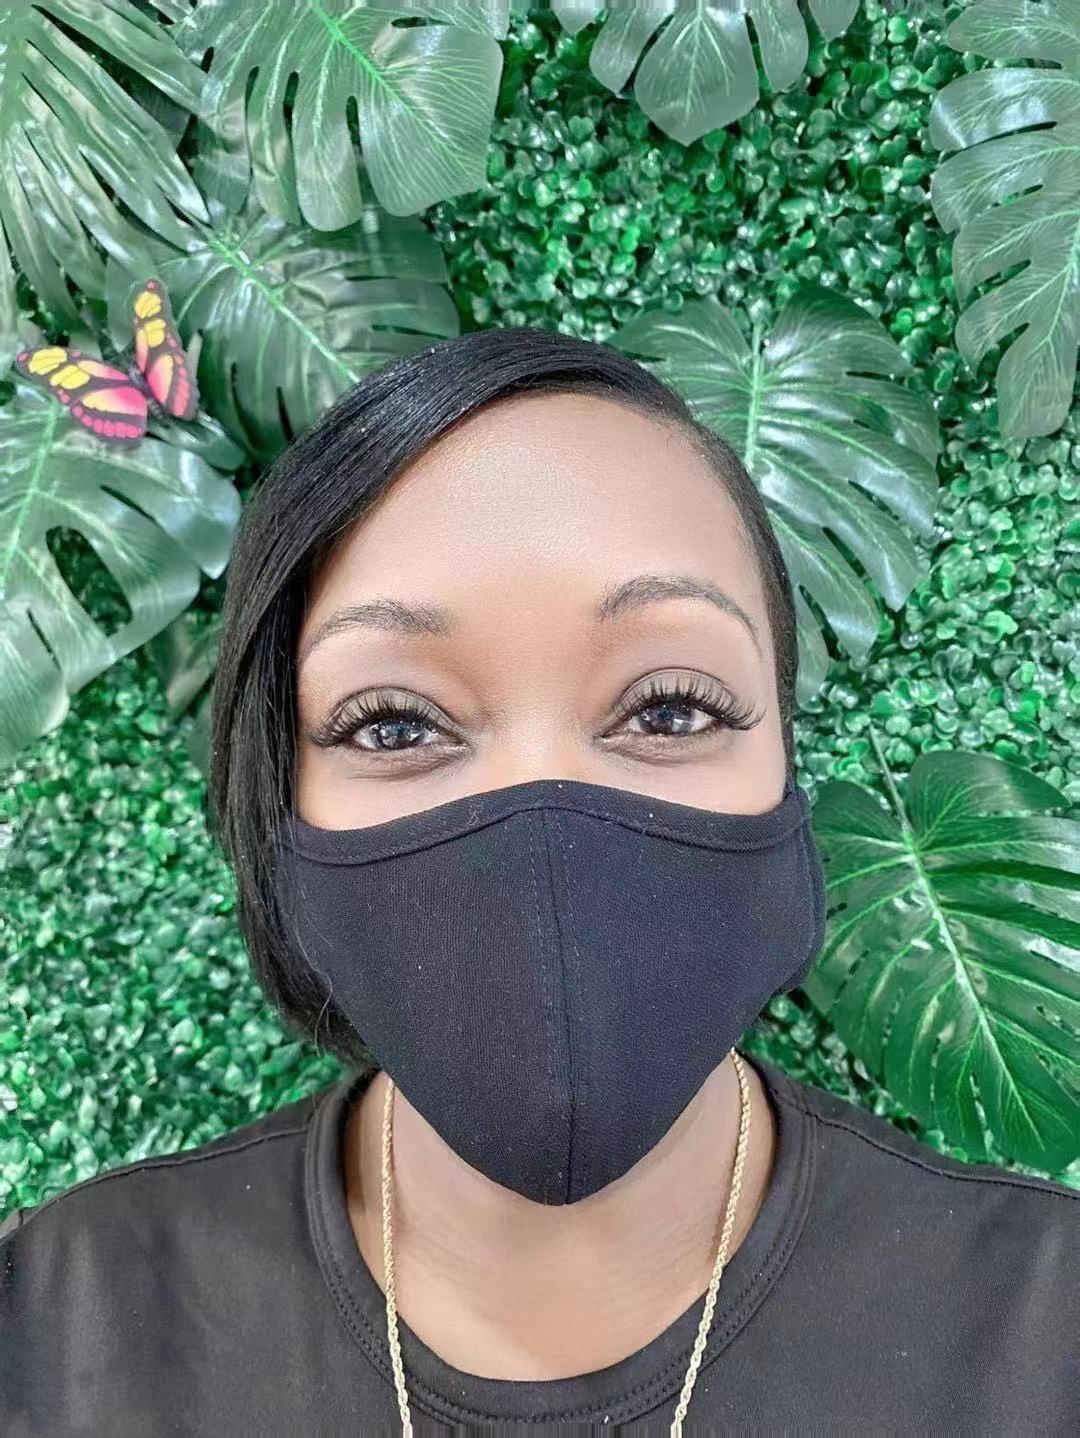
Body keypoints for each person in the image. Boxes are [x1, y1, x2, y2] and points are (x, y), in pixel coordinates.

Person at [1, 327, 1077, 1436]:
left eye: (671, 708)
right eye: (394, 722)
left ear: (785, 764)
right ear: (279, 797)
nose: (542, 815)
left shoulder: (1046, 1331)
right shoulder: (59, 1328)